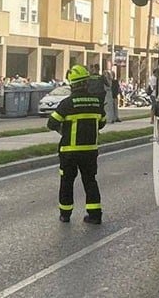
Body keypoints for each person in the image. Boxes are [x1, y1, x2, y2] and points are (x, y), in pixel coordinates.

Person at [48, 65, 105, 224]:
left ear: (72, 85)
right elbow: (102, 123)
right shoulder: (96, 102)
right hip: (90, 151)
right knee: (90, 181)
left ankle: (65, 215)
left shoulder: (67, 103)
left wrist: (63, 129)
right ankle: (95, 215)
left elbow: (51, 123)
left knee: (66, 182)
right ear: (86, 83)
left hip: (69, 151)